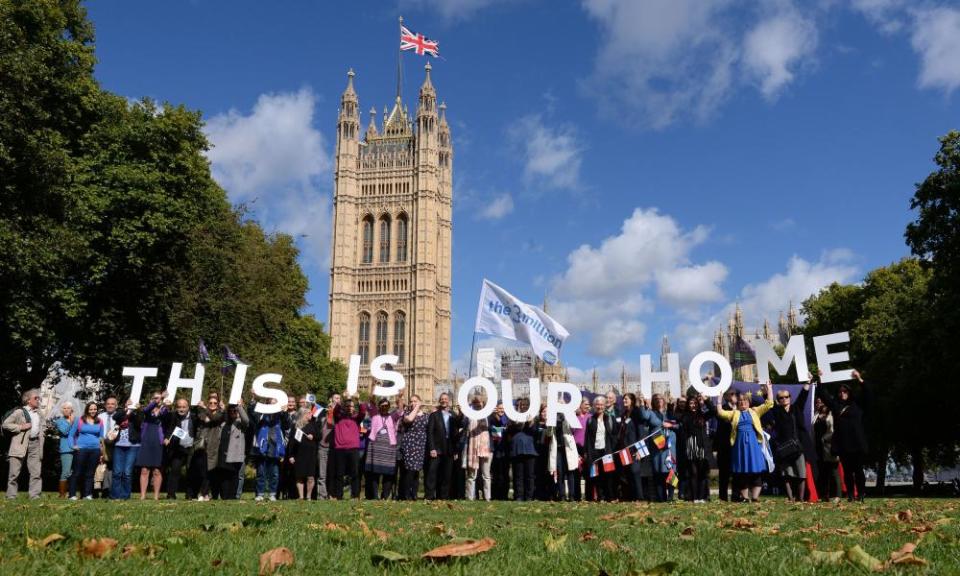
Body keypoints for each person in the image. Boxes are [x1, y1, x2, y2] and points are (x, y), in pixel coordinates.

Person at [716, 382, 774, 502]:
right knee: (742, 472)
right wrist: (719, 400)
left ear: (749, 402)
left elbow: (769, 404)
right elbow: (721, 412)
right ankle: (745, 497)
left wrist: (769, 389)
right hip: (739, 446)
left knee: (756, 470)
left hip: (754, 445)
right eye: (740, 401)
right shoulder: (735, 413)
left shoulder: (755, 411)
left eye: (745, 401)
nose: (742, 402)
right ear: (738, 403)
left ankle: (755, 497)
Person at [818, 369, 870, 502]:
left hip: (857, 442)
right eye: (840, 392)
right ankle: (851, 495)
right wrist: (820, 379)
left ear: (849, 392)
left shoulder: (857, 404)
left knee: (858, 470)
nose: (842, 393)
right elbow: (824, 395)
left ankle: (862, 493)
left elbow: (868, 394)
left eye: (845, 391)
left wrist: (859, 379)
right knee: (847, 472)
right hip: (843, 443)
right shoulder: (835, 405)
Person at [770, 382, 811, 501]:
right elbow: (767, 399)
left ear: (790, 398)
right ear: (778, 400)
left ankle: (801, 498)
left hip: (798, 446)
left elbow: (803, 396)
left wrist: (808, 383)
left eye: (786, 397)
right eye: (781, 398)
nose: (784, 399)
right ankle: (790, 498)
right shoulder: (777, 411)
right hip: (783, 447)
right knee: (786, 474)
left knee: (801, 473)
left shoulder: (796, 408)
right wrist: (765, 387)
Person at [3, 389, 45, 500]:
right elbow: (5, 424)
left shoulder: (40, 413)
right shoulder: (19, 412)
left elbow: (42, 427)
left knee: (36, 472)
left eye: (39, 398)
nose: (38, 400)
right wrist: (20, 427)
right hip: (19, 444)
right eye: (36, 398)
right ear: (28, 400)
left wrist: (42, 432)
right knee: (14, 473)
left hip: (35, 443)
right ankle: (11, 496)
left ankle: (35, 495)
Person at [637, 393, 676, 502]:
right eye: (656, 399)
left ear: (664, 400)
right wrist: (642, 403)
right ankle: (661, 497)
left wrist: (671, 425)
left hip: (670, 446)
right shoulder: (650, 413)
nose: (659, 401)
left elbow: (678, 424)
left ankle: (671, 497)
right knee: (659, 472)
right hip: (657, 447)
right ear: (653, 401)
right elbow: (643, 416)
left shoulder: (669, 413)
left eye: (661, 399)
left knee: (672, 471)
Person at [365, 397, 403, 499]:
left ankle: (385, 496)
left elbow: (400, 410)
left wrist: (400, 398)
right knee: (375, 473)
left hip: (389, 447)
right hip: (375, 446)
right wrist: (373, 388)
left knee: (388, 473)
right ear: (379, 407)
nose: (384, 408)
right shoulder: (375, 415)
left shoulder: (392, 416)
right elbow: (371, 403)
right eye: (382, 406)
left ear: (389, 407)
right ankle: (374, 496)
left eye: (386, 406)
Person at [677, 395, 713, 503]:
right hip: (691, 446)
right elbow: (677, 418)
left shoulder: (702, 415)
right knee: (693, 472)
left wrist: (706, 400)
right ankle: (694, 497)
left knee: (702, 473)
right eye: (691, 403)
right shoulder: (684, 416)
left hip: (702, 446)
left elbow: (713, 411)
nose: (693, 405)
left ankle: (702, 497)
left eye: (695, 403)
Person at [425, 393, 460, 500]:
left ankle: (443, 496)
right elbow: (430, 433)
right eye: (442, 399)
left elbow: (456, 432)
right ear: (439, 401)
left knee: (446, 474)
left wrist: (455, 451)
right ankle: (430, 496)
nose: (444, 400)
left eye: (446, 399)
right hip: (437, 448)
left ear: (448, 400)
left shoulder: (453, 415)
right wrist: (432, 448)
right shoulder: (434, 415)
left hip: (449, 448)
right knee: (432, 473)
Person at [251, 398, 287, 502]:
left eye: (276, 402)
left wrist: (284, 413)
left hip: (275, 448)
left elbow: (287, 424)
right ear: (267, 404)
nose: (274, 404)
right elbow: (253, 415)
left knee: (274, 473)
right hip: (263, 447)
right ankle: (260, 494)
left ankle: (272, 494)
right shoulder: (261, 414)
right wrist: (253, 401)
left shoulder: (280, 415)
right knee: (261, 472)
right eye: (272, 402)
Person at [136, 390, 169, 500]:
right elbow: (146, 409)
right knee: (144, 470)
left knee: (157, 470)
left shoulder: (164, 410)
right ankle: (143, 496)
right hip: (146, 441)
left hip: (158, 442)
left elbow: (165, 417)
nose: (157, 400)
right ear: (151, 400)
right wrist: (159, 400)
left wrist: (163, 404)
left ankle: (156, 496)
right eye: (155, 398)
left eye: (159, 398)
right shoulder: (147, 411)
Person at [331, 397, 366, 499]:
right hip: (340, 449)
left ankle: (355, 495)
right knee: (339, 473)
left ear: (354, 408)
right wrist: (343, 398)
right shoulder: (338, 417)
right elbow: (336, 410)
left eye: (351, 406)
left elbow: (363, 412)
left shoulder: (356, 418)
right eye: (347, 406)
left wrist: (358, 400)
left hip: (353, 449)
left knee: (354, 473)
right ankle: (338, 495)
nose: (349, 408)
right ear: (344, 408)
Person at [584, 396, 616, 501]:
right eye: (597, 404)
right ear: (594, 406)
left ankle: (610, 497)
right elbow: (587, 438)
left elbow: (614, 435)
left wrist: (612, 450)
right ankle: (600, 497)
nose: (600, 406)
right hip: (594, 451)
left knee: (608, 475)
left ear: (605, 405)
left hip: (607, 451)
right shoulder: (590, 420)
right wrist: (586, 452)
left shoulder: (610, 418)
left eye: (602, 404)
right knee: (596, 475)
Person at [68, 401, 103, 500]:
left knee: (90, 473)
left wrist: (101, 452)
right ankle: (72, 494)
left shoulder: (100, 421)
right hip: (81, 449)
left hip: (95, 450)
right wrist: (72, 446)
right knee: (77, 472)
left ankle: (87, 494)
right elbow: (71, 434)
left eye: (95, 409)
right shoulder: (79, 420)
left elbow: (101, 437)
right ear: (87, 409)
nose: (93, 411)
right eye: (91, 409)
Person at [109, 399, 143, 500]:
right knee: (117, 472)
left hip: (133, 446)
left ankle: (125, 496)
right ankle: (115, 496)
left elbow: (139, 423)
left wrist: (137, 410)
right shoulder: (121, 412)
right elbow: (115, 417)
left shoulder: (137, 413)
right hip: (119, 445)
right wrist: (125, 408)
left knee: (127, 473)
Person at [164, 397, 196, 499]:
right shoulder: (173, 416)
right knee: (175, 470)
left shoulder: (194, 416)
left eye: (184, 407)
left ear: (188, 407)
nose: (181, 409)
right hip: (178, 447)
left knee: (191, 471)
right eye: (179, 407)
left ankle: (190, 494)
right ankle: (171, 494)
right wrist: (166, 437)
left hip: (191, 447)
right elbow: (168, 425)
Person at [216, 402, 249, 499]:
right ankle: (224, 496)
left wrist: (239, 407)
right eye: (230, 411)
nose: (232, 413)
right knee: (224, 476)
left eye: (234, 411)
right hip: (222, 454)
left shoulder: (240, 424)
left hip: (235, 454)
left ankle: (232, 496)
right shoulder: (223, 423)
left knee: (234, 475)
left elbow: (246, 420)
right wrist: (222, 410)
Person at [462, 396, 493, 501]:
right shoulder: (469, 415)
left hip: (486, 447)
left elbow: (492, 426)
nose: (477, 404)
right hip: (472, 447)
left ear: (483, 403)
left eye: (479, 402)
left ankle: (487, 497)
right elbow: (463, 425)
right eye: (475, 402)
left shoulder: (489, 415)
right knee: (471, 475)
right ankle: (470, 497)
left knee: (486, 475)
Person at [508, 398, 538, 502]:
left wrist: (530, 423)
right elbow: (509, 432)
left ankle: (529, 496)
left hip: (530, 450)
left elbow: (535, 432)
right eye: (520, 405)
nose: (522, 407)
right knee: (518, 475)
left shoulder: (534, 418)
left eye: (525, 405)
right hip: (517, 450)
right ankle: (519, 496)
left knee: (530, 475)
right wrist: (515, 423)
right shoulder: (513, 418)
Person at [398, 394, 427, 500]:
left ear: (419, 401)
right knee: (409, 470)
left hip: (421, 445)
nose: (412, 403)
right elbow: (409, 419)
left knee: (416, 470)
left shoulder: (426, 415)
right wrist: (417, 407)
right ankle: (406, 494)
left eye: (415, 401)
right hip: (410, 444)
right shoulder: (406, 413)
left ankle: (414, 494)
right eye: (411, 401)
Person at [616, 393, 644, 501]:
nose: (624, 401)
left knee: (635, 472)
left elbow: (641, 432)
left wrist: (639, 451)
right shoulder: (623, 414)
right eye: (623, 400)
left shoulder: (637, 413)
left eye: (626, 399)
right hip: (623, 448)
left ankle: (639, 497)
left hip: (634, 448)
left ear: (632, 400)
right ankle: (630, 497)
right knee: (627, 473)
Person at [196, 395, 224, 500]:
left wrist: (205, 409)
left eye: (215, 403)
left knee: (210, 470)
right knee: (203, 471)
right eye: (210, 403)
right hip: (202, 446)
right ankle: (205, 493)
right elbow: (203, 418)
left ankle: (203, 493)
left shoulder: (220, 413)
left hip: (214, 447)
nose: (212, 405)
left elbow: (214, 419)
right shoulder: (203, 412)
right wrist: (205, 412)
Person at [813, 397, 841, 502]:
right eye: (817, 402)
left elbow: (834, 430)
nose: (818, 404)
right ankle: (824, 495)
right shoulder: (815, 415)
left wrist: (824, 439)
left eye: (820, 401)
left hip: (830, 446)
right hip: (818, 447)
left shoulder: (832, 414)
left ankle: (837, 495)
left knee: (833, 470)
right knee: (822, 471)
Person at [548, 411, 580, 501]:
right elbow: (548, 433)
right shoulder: (552, 418)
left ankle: (572, 496)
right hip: (557, 450)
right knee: (560, 472)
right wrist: (550, 423)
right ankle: (562, 495)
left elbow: (573, 428)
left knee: (570, 472)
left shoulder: (568, 417)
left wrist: (566, 417)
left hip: (568, 448)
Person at [287, 408, 318, 500]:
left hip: (311, 455)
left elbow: (319, 436)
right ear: (303, 414)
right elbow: (291, 442)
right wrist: (291, 455)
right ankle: (301, 496)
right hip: (299, 455)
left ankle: (308, 496)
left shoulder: (313, 424)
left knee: (310, 477)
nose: (311, 414)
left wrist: (313, 436)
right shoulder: (295, 426)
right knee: (299, 476)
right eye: (309, 413)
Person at [714, 390, 738, 501]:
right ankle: (723, 497)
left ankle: (736, 496)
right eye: (732, 394)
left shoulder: (741, 408)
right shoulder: (722, 408)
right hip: (724, 447)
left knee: (737, 473)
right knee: (724, 474)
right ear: (727, 397)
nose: (735, 396)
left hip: (738, 446)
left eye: (736, 394)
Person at [315, 393, 340, 499]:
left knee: (333, 473)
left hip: (335, 447)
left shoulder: (341, 414)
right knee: (322, 474)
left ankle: (331, 494)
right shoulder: (323, 412)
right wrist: (328, 412)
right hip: (323, 446)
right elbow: (317, 425)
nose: (337, 400)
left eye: (339, 398)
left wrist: (335, 411)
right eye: (336, 398)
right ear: (331, 399)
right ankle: (322, 495)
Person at [52, 402, 77, 498]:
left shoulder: (76, 420)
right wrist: (70, 423)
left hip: (76, 448)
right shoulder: (59, 421)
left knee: (74, 472)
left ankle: (72, 494)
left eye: (68, 408)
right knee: (66, 472)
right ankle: (62, 494)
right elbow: (64, 431)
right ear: (62, 410)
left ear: (72, 410)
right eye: (64, 408)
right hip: (66, 449)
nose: (66, 410)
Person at [488, 403, 511, 500]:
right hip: (494, 450)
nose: (500, 410)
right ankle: (494, 495)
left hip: (505, 450)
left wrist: (499, 418)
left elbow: (504, 425)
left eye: (502, 408)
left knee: (505, 473)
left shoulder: (508, 418)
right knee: (495, 473)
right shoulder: (491, 418)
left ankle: (504, 495)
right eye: (499, 408)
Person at [97, 396, 118, 497]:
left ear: (116, 406)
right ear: (105, 405)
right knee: (100, 466)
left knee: (111, 467)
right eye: (108, 404)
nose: (110, 406)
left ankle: (108, 489)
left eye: (112, 404)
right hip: (102, 443)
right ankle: (96, 490)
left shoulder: (119, 416)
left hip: (114, 444)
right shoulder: (100, 417)